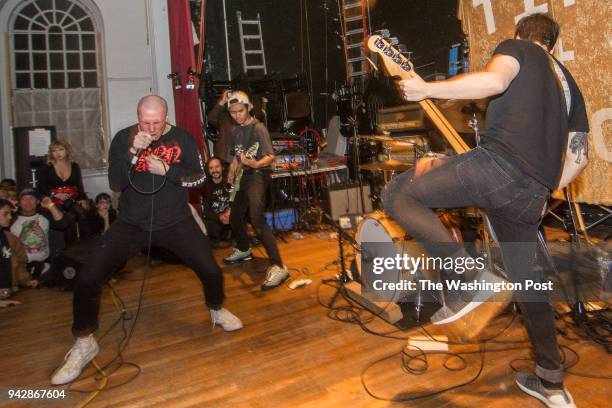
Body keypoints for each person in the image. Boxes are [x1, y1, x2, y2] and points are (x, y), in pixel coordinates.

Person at [383, 14, 586, 408]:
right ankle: (551, 383)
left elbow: (494, 81)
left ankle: (467, 276)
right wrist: (545, 191)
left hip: (499, 165)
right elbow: (578, 155)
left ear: (520, 36)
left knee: (398, 195)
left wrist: (426, 87)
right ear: (555, 45)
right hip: (533, 191)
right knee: (532, 286)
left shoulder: (519, 49)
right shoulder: (569, 86)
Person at [50, 95, 242, 386]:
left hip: (176, 221)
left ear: (165, 118)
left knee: (211, 271)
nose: (150, 129)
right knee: (88, 277)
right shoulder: (123, 139)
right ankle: (85, 342)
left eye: (156, 123)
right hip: (132, 224)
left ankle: (215, 308)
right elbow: (116, 183)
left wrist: (167, 171)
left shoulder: (183, 138)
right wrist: (131, 153)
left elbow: (199, 179)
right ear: (138, 117)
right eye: (144, 122)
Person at [222, 90, 289, 290]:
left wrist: (255, 163)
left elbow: (270, 157)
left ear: (248, 108)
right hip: (244, 177)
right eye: (233, 112)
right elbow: (236, 156)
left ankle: (279, 266)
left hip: (259, 176)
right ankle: (244, 248)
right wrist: (231, 173)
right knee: (235, 217)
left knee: (257, 219)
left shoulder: (258, 128)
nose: (237, 116)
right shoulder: (235, 131)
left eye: (240, 111)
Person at [10, 189, 73, 275]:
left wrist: (50, 205)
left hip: (44, 264)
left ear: (37, 201)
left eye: (31, 198)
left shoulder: (44, 215)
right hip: (20, 266)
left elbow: (63, 224)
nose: (28, 202)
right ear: (19, 202)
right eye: (24, 199)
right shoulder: (11, 218)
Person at [0, 198, 36, 307]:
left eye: (10, 213)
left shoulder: (11, 238)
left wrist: (25, 280)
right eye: (5, 214)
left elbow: (20, 263)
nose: (10, 217)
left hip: (11, 293)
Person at [201, 157, 232, 246]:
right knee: (207, 222)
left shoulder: (229, 180)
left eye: (217, 167)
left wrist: (230, 212)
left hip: (231, 215)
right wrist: (219, 216)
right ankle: (216, 241)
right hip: (217, 219)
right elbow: (206, 211)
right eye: (211, 168)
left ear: (222, 167)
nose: (214, 170)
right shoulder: (205, 186)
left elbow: (237, 200)